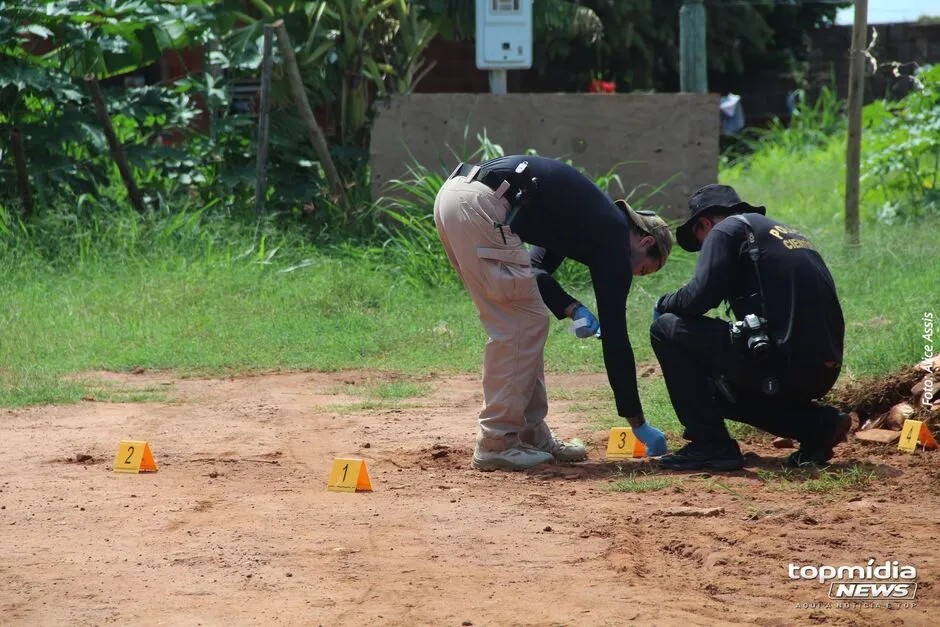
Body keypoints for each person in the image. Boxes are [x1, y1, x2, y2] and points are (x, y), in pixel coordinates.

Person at [433, 155, 674, 471]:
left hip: (458, 197)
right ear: (644, 241)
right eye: (642, 268)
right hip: (481, 205)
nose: (633, 274)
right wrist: (638, 422)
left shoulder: (586, 217)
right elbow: (616, 337)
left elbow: (533, 269)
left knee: (526, 321)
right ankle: (497, 442)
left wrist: (571, 308)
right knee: (522, 322)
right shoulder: (613, 234)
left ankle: (530, 434)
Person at [650, 183, 850, 471]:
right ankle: (817, 425)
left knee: (667, 329)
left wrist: (662, 303)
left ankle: (711, 445)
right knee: (719, 389)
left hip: (783, 360)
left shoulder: (725, 230)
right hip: (821, 367)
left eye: (701, 241)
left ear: (704, 223)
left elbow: (698, 298)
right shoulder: (779, 231)